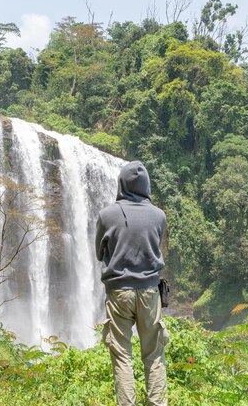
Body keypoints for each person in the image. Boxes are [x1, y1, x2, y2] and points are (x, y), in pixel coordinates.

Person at [95, 161, 169, 406]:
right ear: (146, 185)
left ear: (121, 183)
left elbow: (99, 252)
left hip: (118, 294)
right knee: (154, 354)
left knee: (122, 356)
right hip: (149, 292)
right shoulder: (159, 216)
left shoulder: (106, 215)